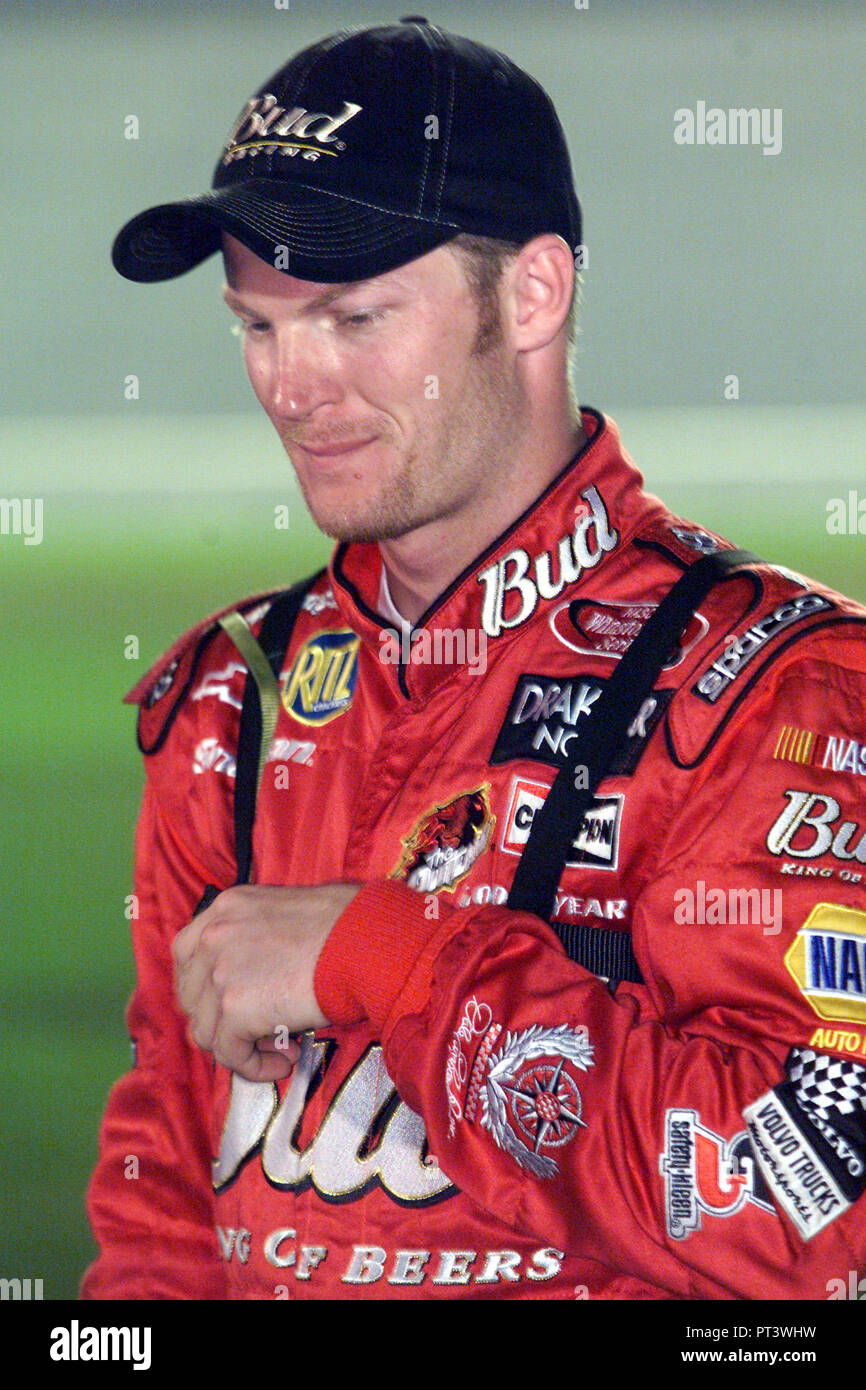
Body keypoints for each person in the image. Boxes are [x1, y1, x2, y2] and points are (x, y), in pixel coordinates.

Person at [83, 17, 866, 1300]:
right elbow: (164, 1213)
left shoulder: (774, 690)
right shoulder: (233, 701)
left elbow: (809, 1221)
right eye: (257, 326)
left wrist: (389, 961)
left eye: (349, 316)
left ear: (534, 294)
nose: (291, 384)